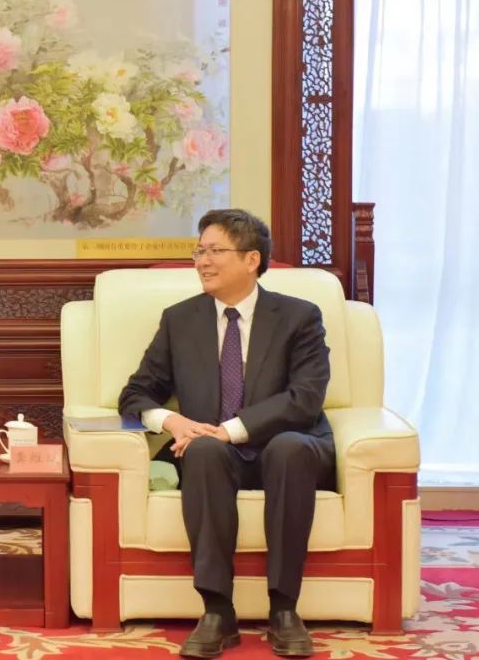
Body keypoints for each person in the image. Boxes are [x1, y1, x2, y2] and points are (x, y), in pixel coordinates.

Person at [118, 209, 334, 659]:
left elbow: (306, 398)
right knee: (201, 452)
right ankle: (217, 610)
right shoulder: (180, 319)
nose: (202, 261)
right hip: (213, 455)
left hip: (285, 446)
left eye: (215, 251)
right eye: (199, 251)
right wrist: (173, 422)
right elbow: (135, 394)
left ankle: (284, 609)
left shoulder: (299, 317)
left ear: (252, 259)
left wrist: (230, 430)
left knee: (289, 449)